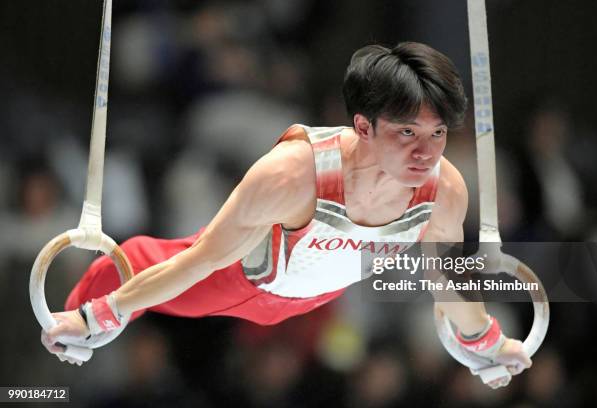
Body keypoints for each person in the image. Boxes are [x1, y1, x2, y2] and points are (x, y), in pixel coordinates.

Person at [41, 42, 531, 388]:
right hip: (241, 282)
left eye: (439, 134)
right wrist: (101, 313)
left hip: (318, 299)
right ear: (363, 125)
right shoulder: (293, 174)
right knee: (139, 262)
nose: (426, 153)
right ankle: (72, 316)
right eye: (407, 133)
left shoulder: (444, 190)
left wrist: (486, 340)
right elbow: (200, 263)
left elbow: (446, 281)